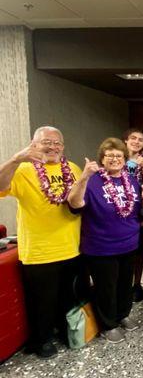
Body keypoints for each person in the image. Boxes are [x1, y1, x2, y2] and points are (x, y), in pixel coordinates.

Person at [0, 126, 82, 359]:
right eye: (47, 142)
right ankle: (42, 339)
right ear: (33, 144)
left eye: (57, 143)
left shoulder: (73, 168)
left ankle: (65, 331)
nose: (52, 147)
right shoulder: (23, 169)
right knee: (41, 301)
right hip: (39, 249)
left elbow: (78, 201)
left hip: (71, 246)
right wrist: (16, 158)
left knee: (68, 295)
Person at [67, 138, 143, 344]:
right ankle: (108, 324)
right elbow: (75, 205)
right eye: (109, 155)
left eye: (119, 155)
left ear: (124, 159)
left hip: (129, 243)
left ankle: (123, 314)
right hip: (101, 246)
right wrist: (84, 176)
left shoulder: (130, 180)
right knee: (106, 286)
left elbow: (137, 210)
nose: (114, 159)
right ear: (102, 158)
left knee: (124, 283)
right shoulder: (92, 180)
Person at [123, 127, 143, 303]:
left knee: (139, 248)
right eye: (133, 138)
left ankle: (137, 284)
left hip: (140, 206)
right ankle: (123, 284)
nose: (136, 142)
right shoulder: (119, 157)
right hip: (120, 206)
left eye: (140, 139)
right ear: (126, 140)